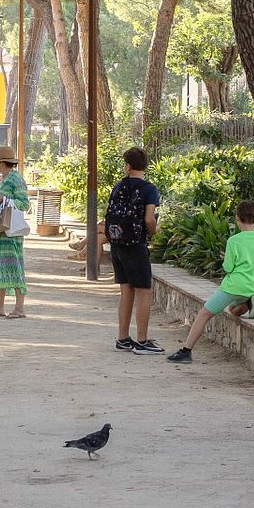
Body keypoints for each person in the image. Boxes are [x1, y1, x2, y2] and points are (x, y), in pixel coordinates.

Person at [166, 200, 254, 363]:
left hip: (233, 286)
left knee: (204, 314)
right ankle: (249, 301)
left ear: (237, 218)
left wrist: (226, 258)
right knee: (232, 310)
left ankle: (186, 351)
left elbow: (228, 268)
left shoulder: (234, 241)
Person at [100, 146, 162, 354]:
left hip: (117, 243)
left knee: (126, 291)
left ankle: (123, 337)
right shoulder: (149, 189)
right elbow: (149, 219)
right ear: (145, 166)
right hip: (136, 245)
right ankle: (142, 341)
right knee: (143, 292)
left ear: (127, 166)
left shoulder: (118, 186)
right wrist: (153, 233)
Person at [0, 144, 29, 318]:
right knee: (0, 268)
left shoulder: (15, 179)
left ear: (1, 163)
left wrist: (3, 198)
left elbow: (24, 204)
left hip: (11, 233)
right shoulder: (5, 178)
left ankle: (19, 307)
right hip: (2, 232)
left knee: (15, 267)